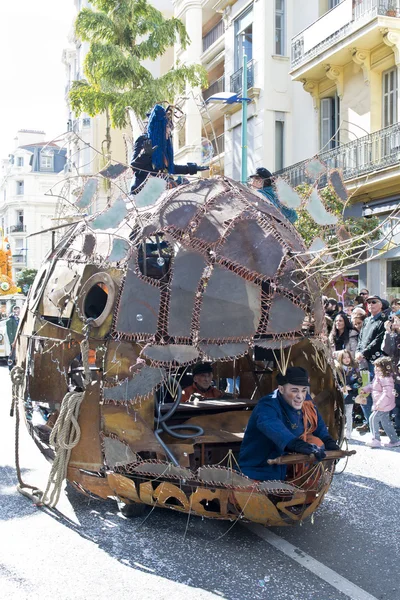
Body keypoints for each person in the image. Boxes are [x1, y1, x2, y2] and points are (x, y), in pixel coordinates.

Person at [238, 367, 340, 481]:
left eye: (304, 390)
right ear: (281, 389)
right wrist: (298, 445)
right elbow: (272, 427)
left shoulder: (306, 401)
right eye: (294, 390)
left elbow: (318, 423)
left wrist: (328, 441)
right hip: (260, 470)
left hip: (289, 470)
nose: (300, 396)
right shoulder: (267, 405)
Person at [130, 104, 206, 192]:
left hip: (163, 189)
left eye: (170, 127)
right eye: (167, 126)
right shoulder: (143, 140)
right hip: (145, 192)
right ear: (158, 128)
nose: (169, 130)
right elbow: (133, 166)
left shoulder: (164, 148)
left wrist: (194, 168)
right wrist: (146, 155)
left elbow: (171, 168)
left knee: (185, 184)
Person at [355, 295, 387, 431]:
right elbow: (361, 339)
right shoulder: (367, 320)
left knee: (378, 394)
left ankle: (379, 425)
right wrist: (357, 352)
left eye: (374, 302)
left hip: (376, 362)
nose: (371, 304)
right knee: (363, 392)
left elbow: (378, 341)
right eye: (368, 302)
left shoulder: (384, 320)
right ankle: (369, 422)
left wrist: (364, 353)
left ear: (381, 304)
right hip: (363, 363)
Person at [360, 356, 400, 448]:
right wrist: (365, 389)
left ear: (384, 368)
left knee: (372, 419)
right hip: (381, 403)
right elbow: (373, 386)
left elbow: (387, 392)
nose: (375, 369)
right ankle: (395, 440)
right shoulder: (378, 377)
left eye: (378, 368)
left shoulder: (386, 378)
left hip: (383, 404)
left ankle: (376, 440)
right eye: (375, 367)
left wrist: (380, 403)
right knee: (385, 422)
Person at [335, 350, 361, 440]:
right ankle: (339, 431)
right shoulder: (338, 369)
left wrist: (351, 387)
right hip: (340, 395)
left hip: (350, 395)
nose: (347, 359)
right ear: (340, 359)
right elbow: (336, 381)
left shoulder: (354, 368)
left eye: (348, 357)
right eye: (344, 357)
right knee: (339, 414)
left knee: (349, 414)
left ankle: (348, 433)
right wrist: (340, 387)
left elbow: (358, 381)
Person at [381, 310, 400, 434]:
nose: (395, 323)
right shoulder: (391, 335)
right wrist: (387, 332)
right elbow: (385, 350)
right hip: (394, 372)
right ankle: (397, 428)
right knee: (396, 402)